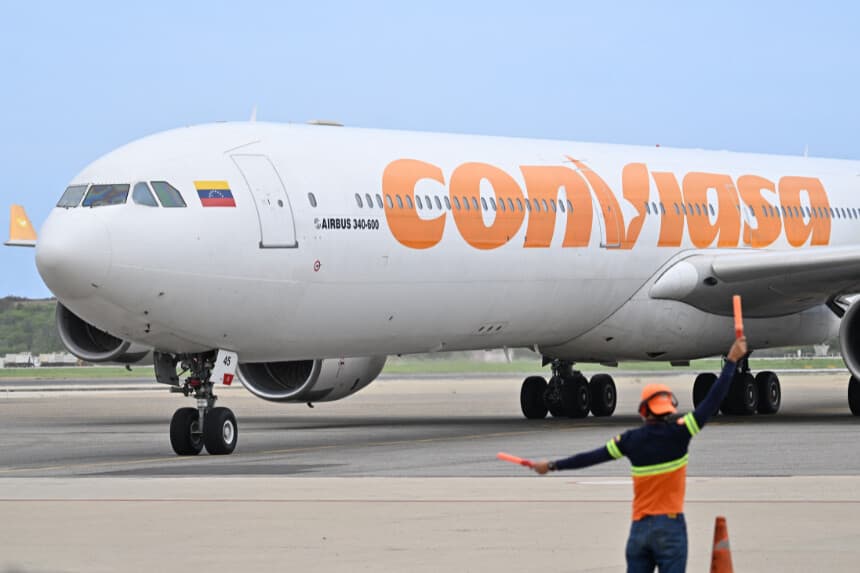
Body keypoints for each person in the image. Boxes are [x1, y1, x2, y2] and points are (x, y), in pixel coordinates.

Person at [532, 337, 747, 573]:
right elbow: (712, 400)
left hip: (640, 529)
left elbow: (590, 458)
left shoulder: (630, 440)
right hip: (670, 526)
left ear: (643, 411)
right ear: (670, 409)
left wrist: (551, 465)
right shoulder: (681, 432)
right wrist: (731, 360)